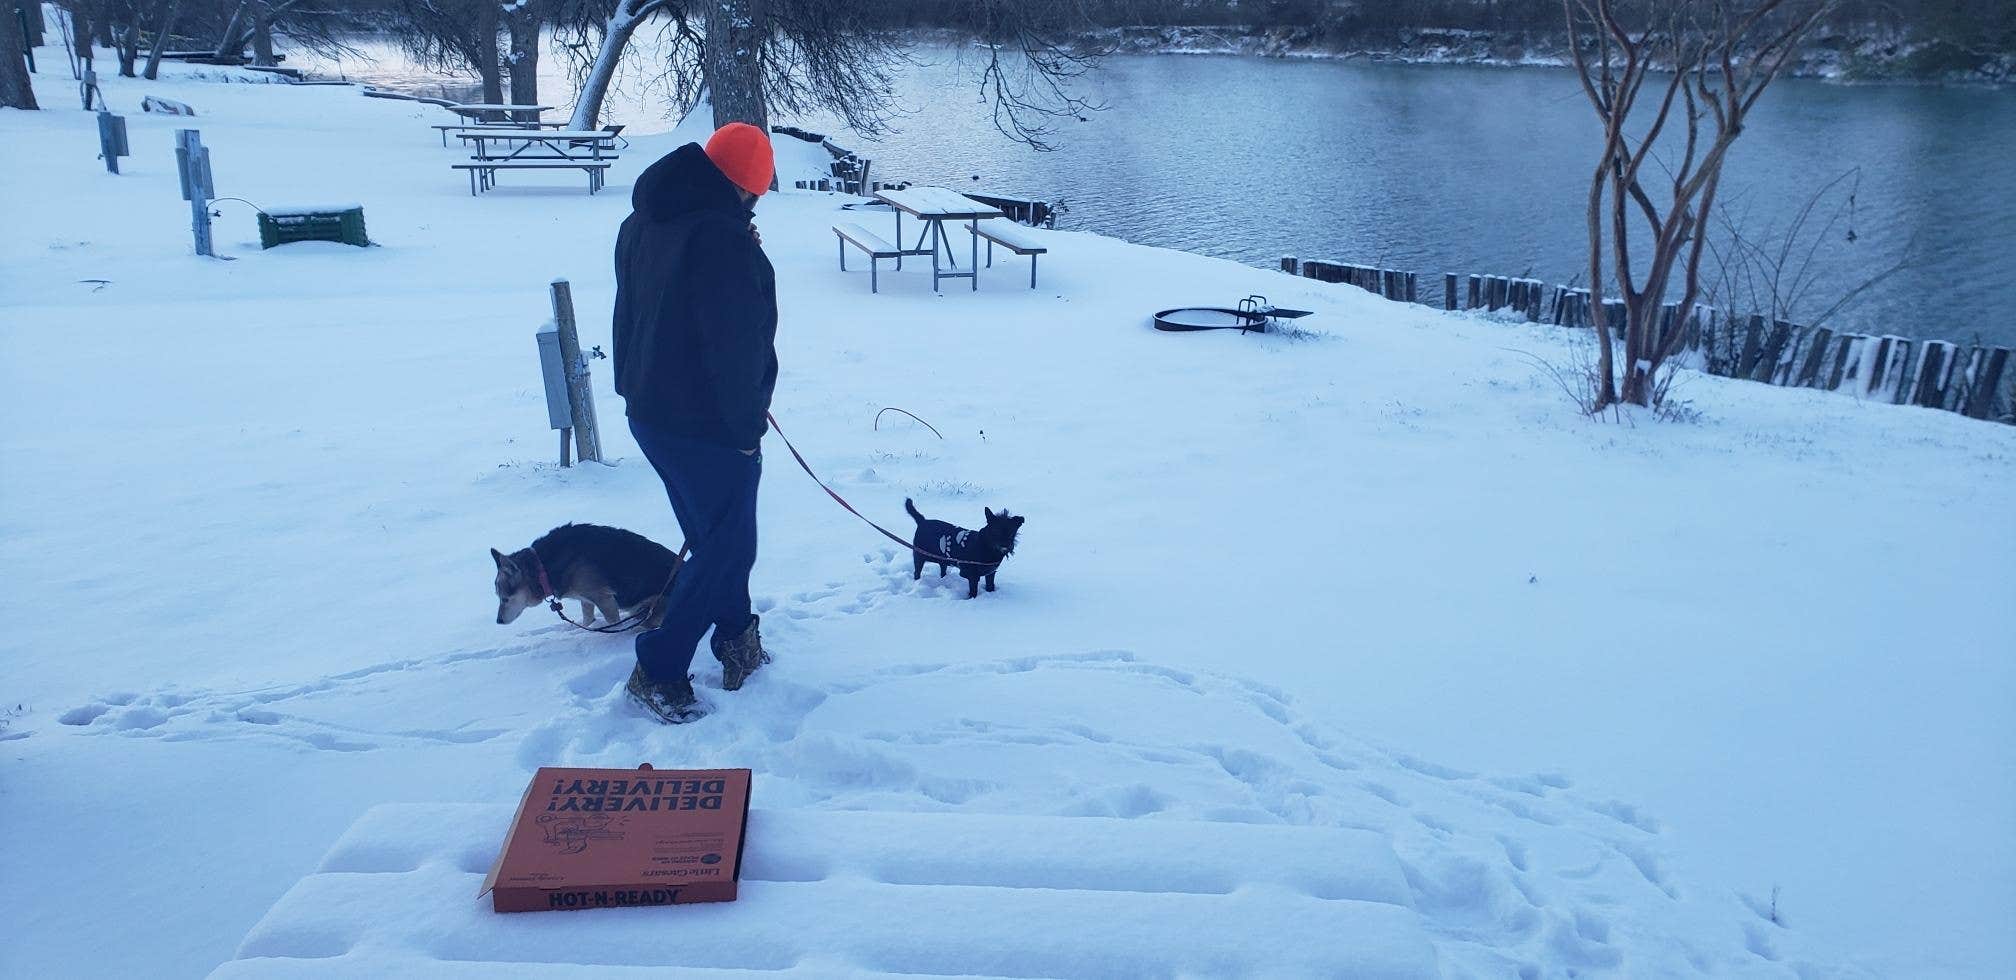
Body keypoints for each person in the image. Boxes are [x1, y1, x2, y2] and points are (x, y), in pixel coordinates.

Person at [612, 123, 778, 724]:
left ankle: (735, 637)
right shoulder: (722, 240)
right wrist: (744, 432)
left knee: (715, 542)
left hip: (650, 411)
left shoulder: (648, 218)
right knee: (730, 547)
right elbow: (734, 346)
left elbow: (637, 306)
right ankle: (658, 668)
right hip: (705, 423)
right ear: (747, 190)